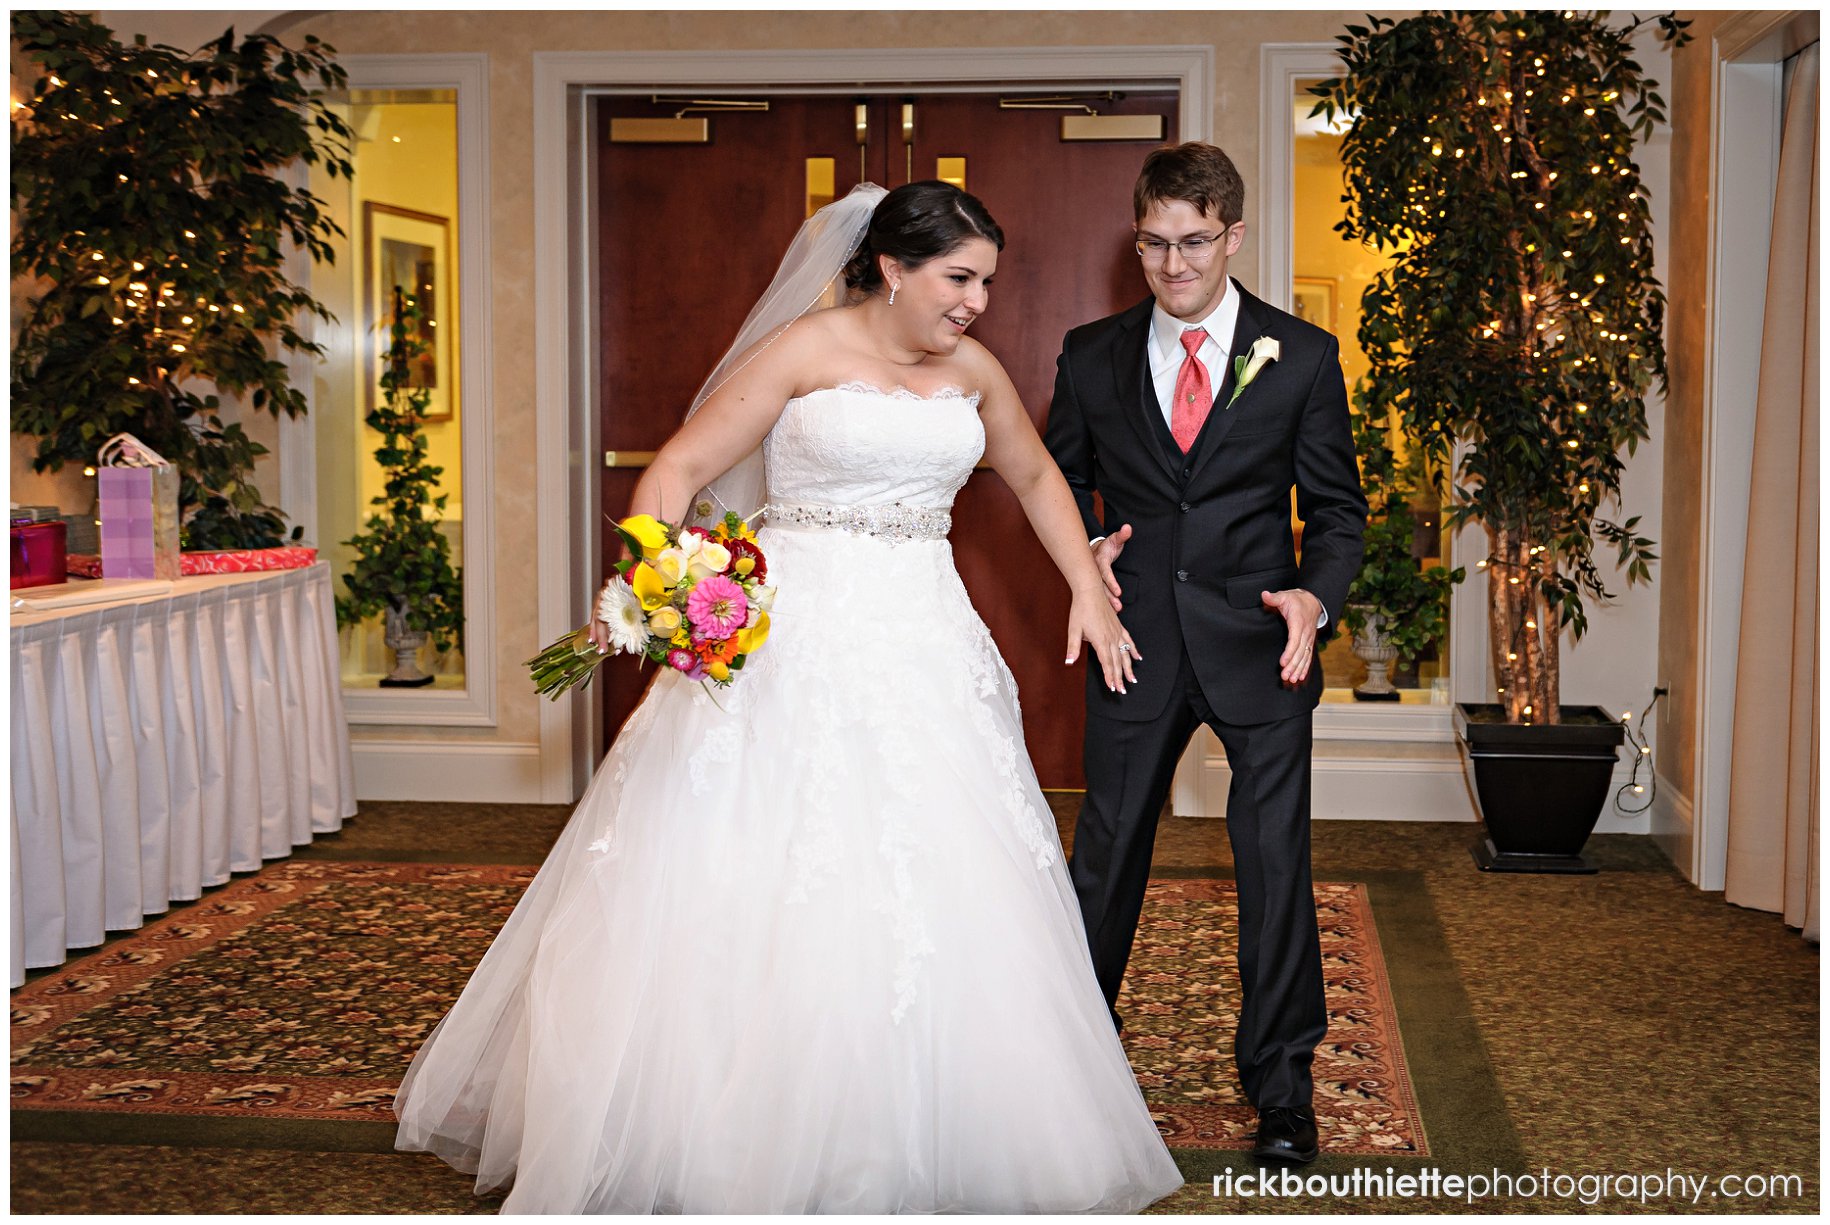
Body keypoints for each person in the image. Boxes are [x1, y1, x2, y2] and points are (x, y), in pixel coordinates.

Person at [392, 181, 1183, 1213]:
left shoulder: (976, 372)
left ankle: (933, 1126)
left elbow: (1036, 480)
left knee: (938, 866)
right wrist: (654, 579)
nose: (978, 302)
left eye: (988, 281)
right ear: (893, 268)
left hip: (923, 636)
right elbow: (677, 467)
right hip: (792, 635)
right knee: (760, 862)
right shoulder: (803, 353)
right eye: (959, 278)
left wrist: (1088, 587)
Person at [1042, 142, 1368, 1166]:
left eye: (1193, 242)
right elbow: (1056, 485)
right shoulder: (1090, 354)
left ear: (1233, 234)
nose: (1173, 265)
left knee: (1274, 863)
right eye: (1152, 243)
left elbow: (1341, 510)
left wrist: (1316, 598)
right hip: (1134, 638)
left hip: (1262, 640)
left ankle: (1281, 1083)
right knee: (1108, 852)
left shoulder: (1303, 355)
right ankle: (1071, 1057)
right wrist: (1083, 554)